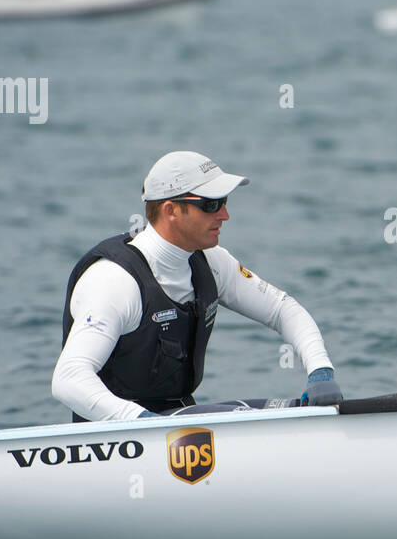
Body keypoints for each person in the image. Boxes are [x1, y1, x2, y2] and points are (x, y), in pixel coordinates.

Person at [53, 151, 342, 422]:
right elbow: (69, 379)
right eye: (211, 204)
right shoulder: (115, 281)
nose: (224, 215)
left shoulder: (212, 263)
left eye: (225, 201)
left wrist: (320, 370)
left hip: (179, 424)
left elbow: (282, 310)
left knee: (292, 408)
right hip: (113, 439)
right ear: (171, 210)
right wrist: (142, 423)